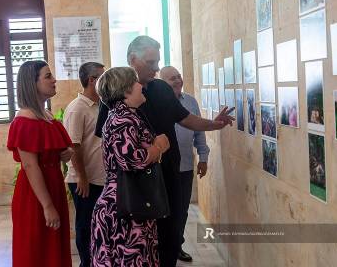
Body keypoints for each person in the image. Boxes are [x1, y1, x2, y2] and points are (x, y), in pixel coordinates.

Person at [95, 36, 234, 267]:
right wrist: (157, 146)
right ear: (132, 59)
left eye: (158, 61)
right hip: (137, 187)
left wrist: (214, 124)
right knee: (139, 244)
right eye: (151, 62)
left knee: (170, 236)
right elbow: (117, 149)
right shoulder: (116, 102)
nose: (156, 68)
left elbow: (186, 119)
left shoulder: (160, 88)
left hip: (169, 176)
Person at [90, 67, 170, 266]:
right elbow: (131, 160)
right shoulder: (122, 119)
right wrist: (158, 147)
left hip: (131, 201)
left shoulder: (127, 115)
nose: (141, 86)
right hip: (124, 207)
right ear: (125, 90)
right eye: (136, 82)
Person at [7, 60, 74, 267]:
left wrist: (66, 153)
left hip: (52, 186)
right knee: (37, 249)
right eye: (48, 76)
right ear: (32, 83)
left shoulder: (47, 116)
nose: (54, 80)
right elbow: (30, 166)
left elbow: (59, 150)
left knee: (54, 246)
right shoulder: (24, 121)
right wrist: (47, 206)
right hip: (35, 195)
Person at [160, 66, 210, 262]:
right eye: (172, 78)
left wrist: (203, 157)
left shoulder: (190, 101)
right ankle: (162, 247)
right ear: (163, 82)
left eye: (179, 76)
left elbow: (199, 132)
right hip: (163, 168)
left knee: (181, 209)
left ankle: (177, 246)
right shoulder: (156, 102)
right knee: (164, 210)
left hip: (185, 167)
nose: (178, 80)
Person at [63, 62, 105, 267]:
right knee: (86, 226)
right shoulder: (76, 109)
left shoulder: (101, 105)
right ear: (92, 80)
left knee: (99, 226)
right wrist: (82, 177)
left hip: (100, 178)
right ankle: (86, 264)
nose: (105, 82)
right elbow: (73, 146)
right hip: (84, 180)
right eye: (102, 77)